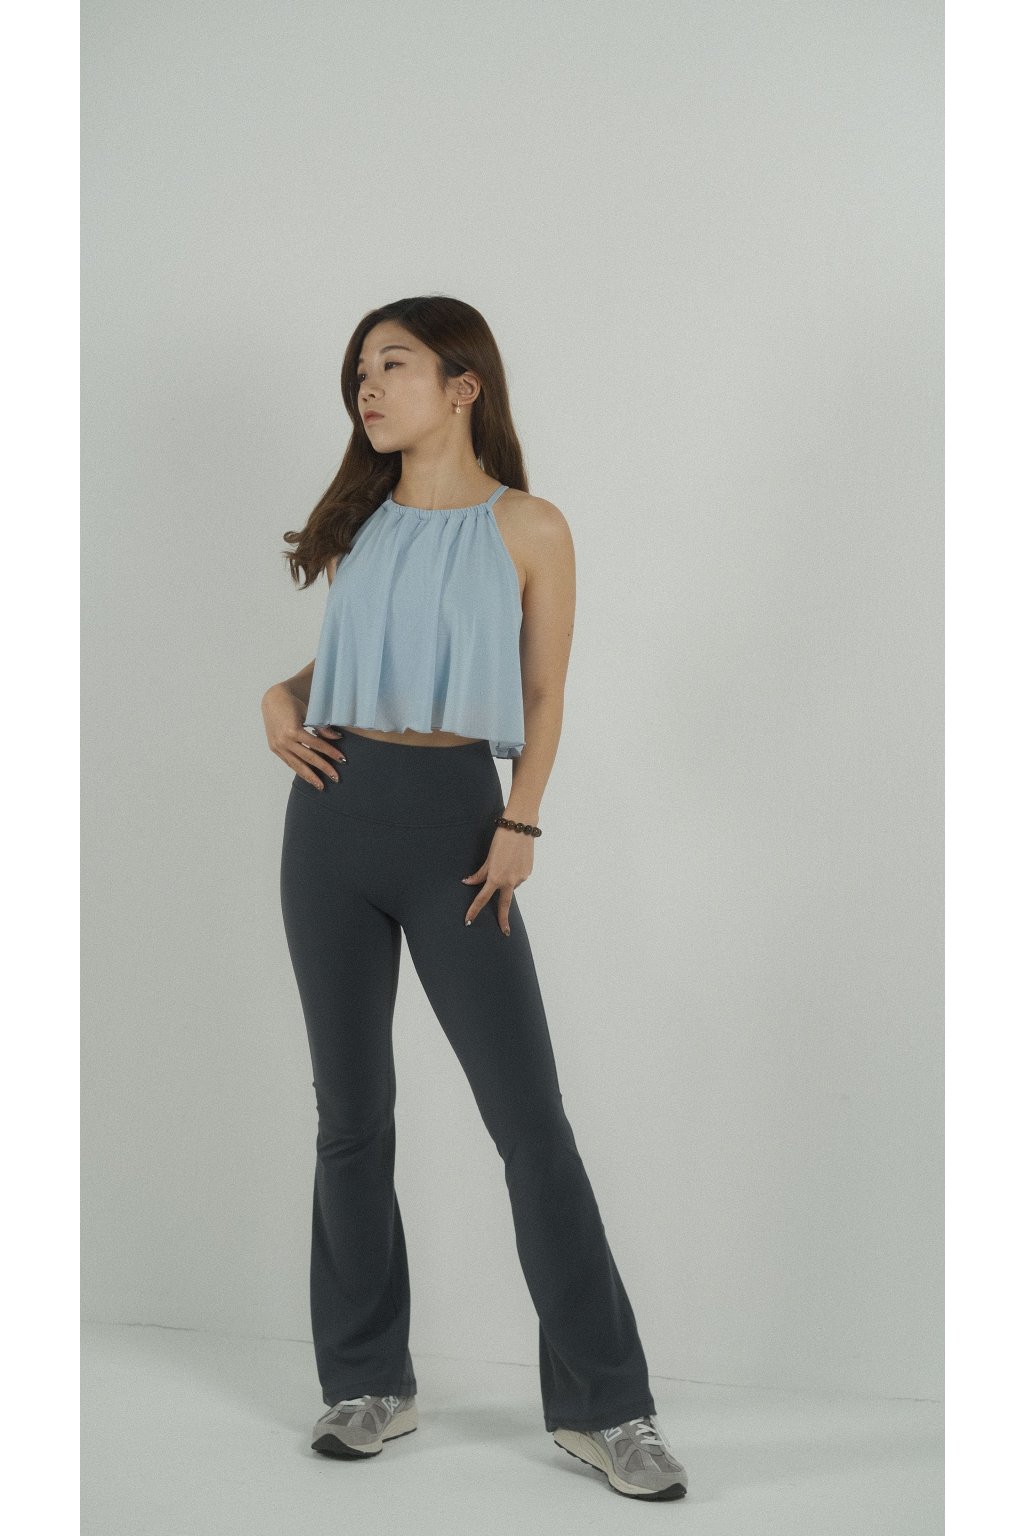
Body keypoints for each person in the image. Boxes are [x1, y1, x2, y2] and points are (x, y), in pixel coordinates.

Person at [262, 295, 687, 1502]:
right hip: (330, 819)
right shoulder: (361, 523)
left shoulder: (528, 525)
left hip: (459, 826)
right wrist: (280, 696)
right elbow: (358, 660)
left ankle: (608, 1407)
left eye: (391, 363)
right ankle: (366, 1383)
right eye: (358, 369)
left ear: (463, 384)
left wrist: (520, 819)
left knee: (528, 1122)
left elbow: (541, 693)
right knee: (351, 1118)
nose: (366, 385)